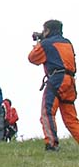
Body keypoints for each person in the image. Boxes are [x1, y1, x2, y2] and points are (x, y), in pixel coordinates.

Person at [28, 19, 79, 152]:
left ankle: (51, 144)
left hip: (57, 79)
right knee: (71, 118)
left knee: (47, 113)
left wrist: (39, 42)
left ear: (48, 30)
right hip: (70, 81)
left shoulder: (46, 43)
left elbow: (32, 58)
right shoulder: (67, 43)